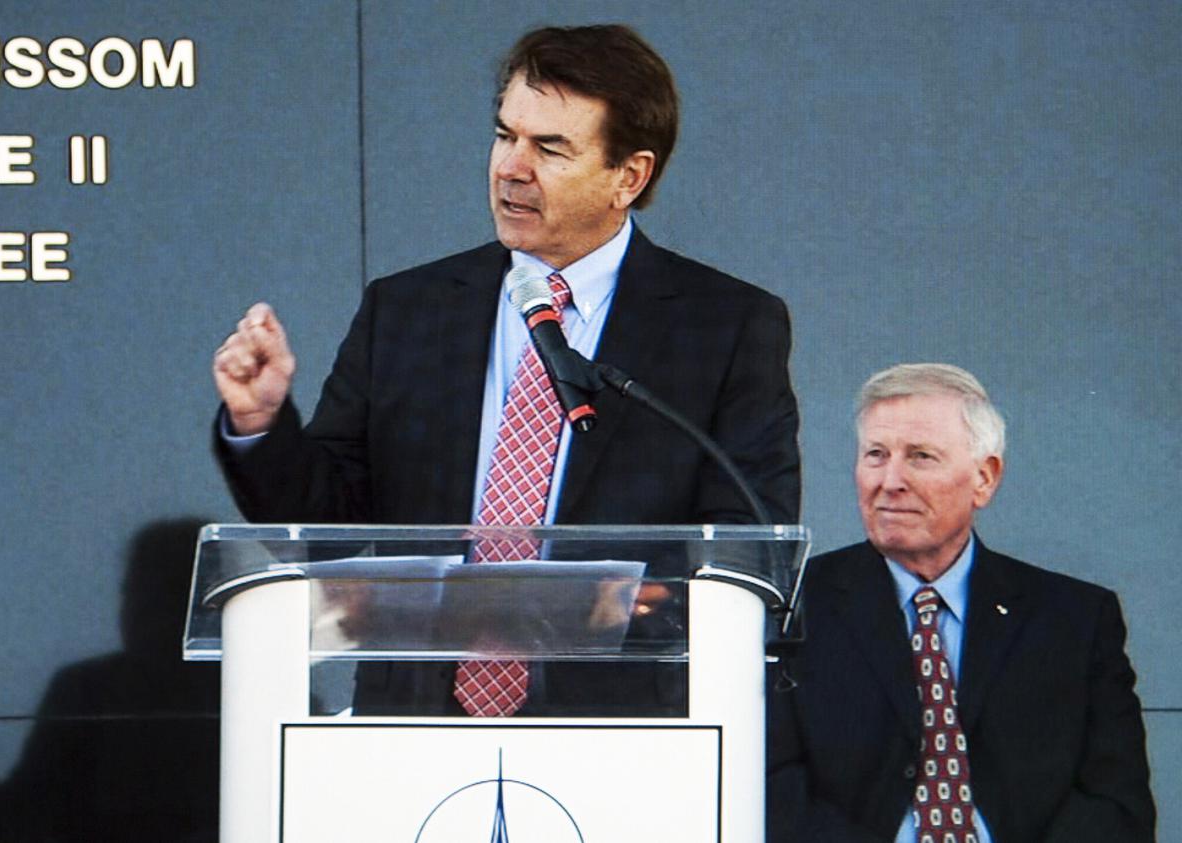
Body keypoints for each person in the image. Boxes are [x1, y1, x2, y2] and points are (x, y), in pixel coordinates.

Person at [210, 25, 800, 716]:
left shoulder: (723, 326)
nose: (510, 167)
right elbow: (327, 525)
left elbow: (742, 545)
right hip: (416, 730)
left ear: (628, 176)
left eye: (549, 148)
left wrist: (611, 608)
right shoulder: (407, 309)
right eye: (504, 135)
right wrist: (260, 422)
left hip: (621, 735)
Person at [766, 363, 1155, 842]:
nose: (890, 481)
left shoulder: (1074, 619)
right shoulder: (791, 607)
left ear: (984, 478)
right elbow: (769, 790)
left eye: (921, 457)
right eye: (875, 454)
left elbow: (1115, 801)